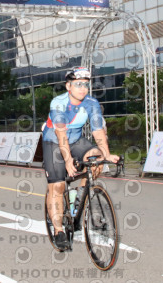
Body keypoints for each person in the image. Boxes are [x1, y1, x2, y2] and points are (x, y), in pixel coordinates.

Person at [42, 66, 119, 250]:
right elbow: (61, 135)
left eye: (85, 84)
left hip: (76, 139)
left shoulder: (92, 103)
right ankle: (58, 231)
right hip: (54, 141)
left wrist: (107, 154)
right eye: (78, 84)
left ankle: (79, 200)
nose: (83, 88)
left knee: (97, 159)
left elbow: (98, 131)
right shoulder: (58, 103)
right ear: (68, 86)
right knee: (57, 186)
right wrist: (68, 160)